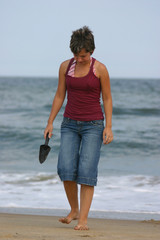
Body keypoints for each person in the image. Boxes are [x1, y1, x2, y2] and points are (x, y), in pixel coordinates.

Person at [44, 26, 113, 230]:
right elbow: (59, 95)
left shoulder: (100, 69)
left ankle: (82, 220)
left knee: (86, 171)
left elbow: (107, 99)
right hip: (69, 124)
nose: (79, 58)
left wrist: (108, 126)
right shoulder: (66, 67)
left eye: (82, 55)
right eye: (75, 54)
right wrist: (50, 122)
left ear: (91, 51)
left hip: (93, 125)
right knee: (65, 168)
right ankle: (74, 210)